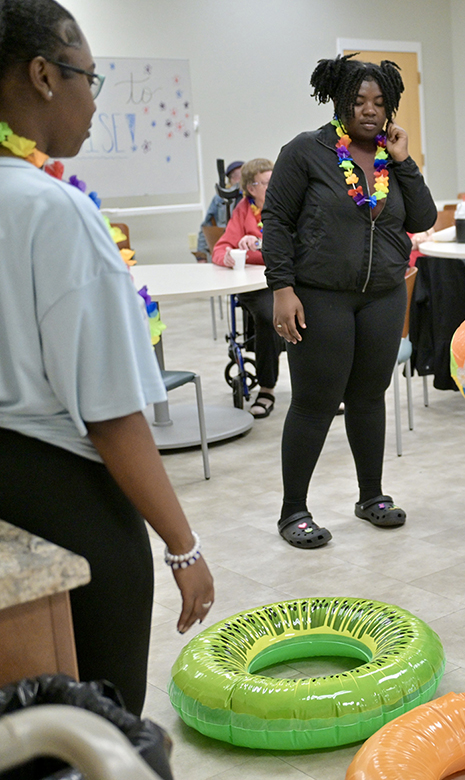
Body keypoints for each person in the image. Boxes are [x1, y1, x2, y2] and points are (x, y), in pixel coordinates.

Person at [0, 0, 214, 714]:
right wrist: (181, 545)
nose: (95, 100)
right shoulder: (53, 209)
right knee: (98, 727)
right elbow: (112, 412)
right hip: (67, 498)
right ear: (42, 76)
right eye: (89, 78)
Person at [264, 54, 436, 549]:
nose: (370, 110)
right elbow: (275, 219)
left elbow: (421, 217)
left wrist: (404, 162)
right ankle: (293, 509)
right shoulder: (306, 152)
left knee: (367, 397)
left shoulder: (389, 158)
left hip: (382, 295)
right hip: (321, 297)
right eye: (359, 101)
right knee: (316, 402)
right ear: (339, 102)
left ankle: (371, 496)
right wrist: (282, 288)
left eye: (380, 103)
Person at [212, 158, 283, 418]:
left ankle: (319, 388)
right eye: (265, 183)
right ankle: (266, 388)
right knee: (267, 315)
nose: (272, 186)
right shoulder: (243, 210)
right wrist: (229, 256)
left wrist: (262, 242)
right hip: (255, 282)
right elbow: (220, 248)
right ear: (251, 188)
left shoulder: (288, 204)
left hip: (286, 276)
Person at [196, 158, 242, 255]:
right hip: (224, 247)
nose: (240, 179)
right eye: (236, 176)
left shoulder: (255, 198)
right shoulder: (220, 199)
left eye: (243, 175)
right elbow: (206, 225)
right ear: (230, 180)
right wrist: (201, 254)